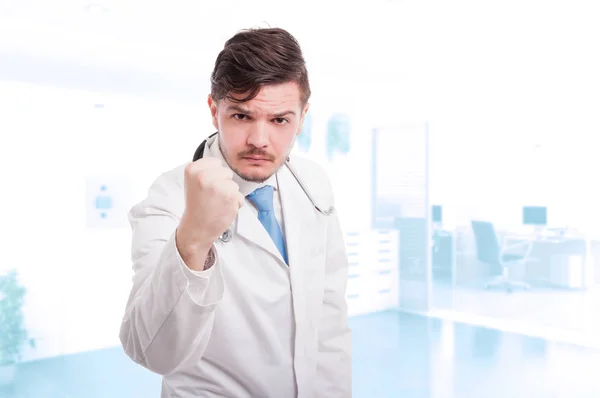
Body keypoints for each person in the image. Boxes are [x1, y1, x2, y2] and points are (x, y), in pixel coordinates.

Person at [119, 27, 352, 398]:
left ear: (302, 117)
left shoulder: (313, 185)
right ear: (215, 111)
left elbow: (330, 317)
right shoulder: (168, 198)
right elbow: (151, 351)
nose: (260, 140)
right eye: (242, 116)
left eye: (280, 120)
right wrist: (193, 238)